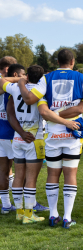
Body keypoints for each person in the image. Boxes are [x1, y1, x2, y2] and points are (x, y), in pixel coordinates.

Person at [17, 49, 83, 229]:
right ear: (73, 61)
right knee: (70, 174)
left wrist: (21, 83)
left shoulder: (46, 78)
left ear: (57, 61)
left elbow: (30, 99)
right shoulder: (81, 77)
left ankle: (53, 215)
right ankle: (67, 217)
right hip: (73, 133)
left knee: (52, 174)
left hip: (53, 133)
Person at [1, 65, 73, 224]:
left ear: (27, 75)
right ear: (41, 78)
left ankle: (19, 213)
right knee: (31, 178)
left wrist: (20, 81)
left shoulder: (14, 88)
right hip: (35, 139)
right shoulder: (42, 91)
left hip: (18, 138)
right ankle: (28, 215)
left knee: (19, 175)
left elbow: (2, 81)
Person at [0, 63, 25, 214]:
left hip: (0, 133)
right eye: (22, 75)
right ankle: (25, 205)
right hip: (10, 133)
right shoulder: (10, 87)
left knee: (3, 171)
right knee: (21, 171)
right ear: (15, 75)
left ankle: (6, 205)